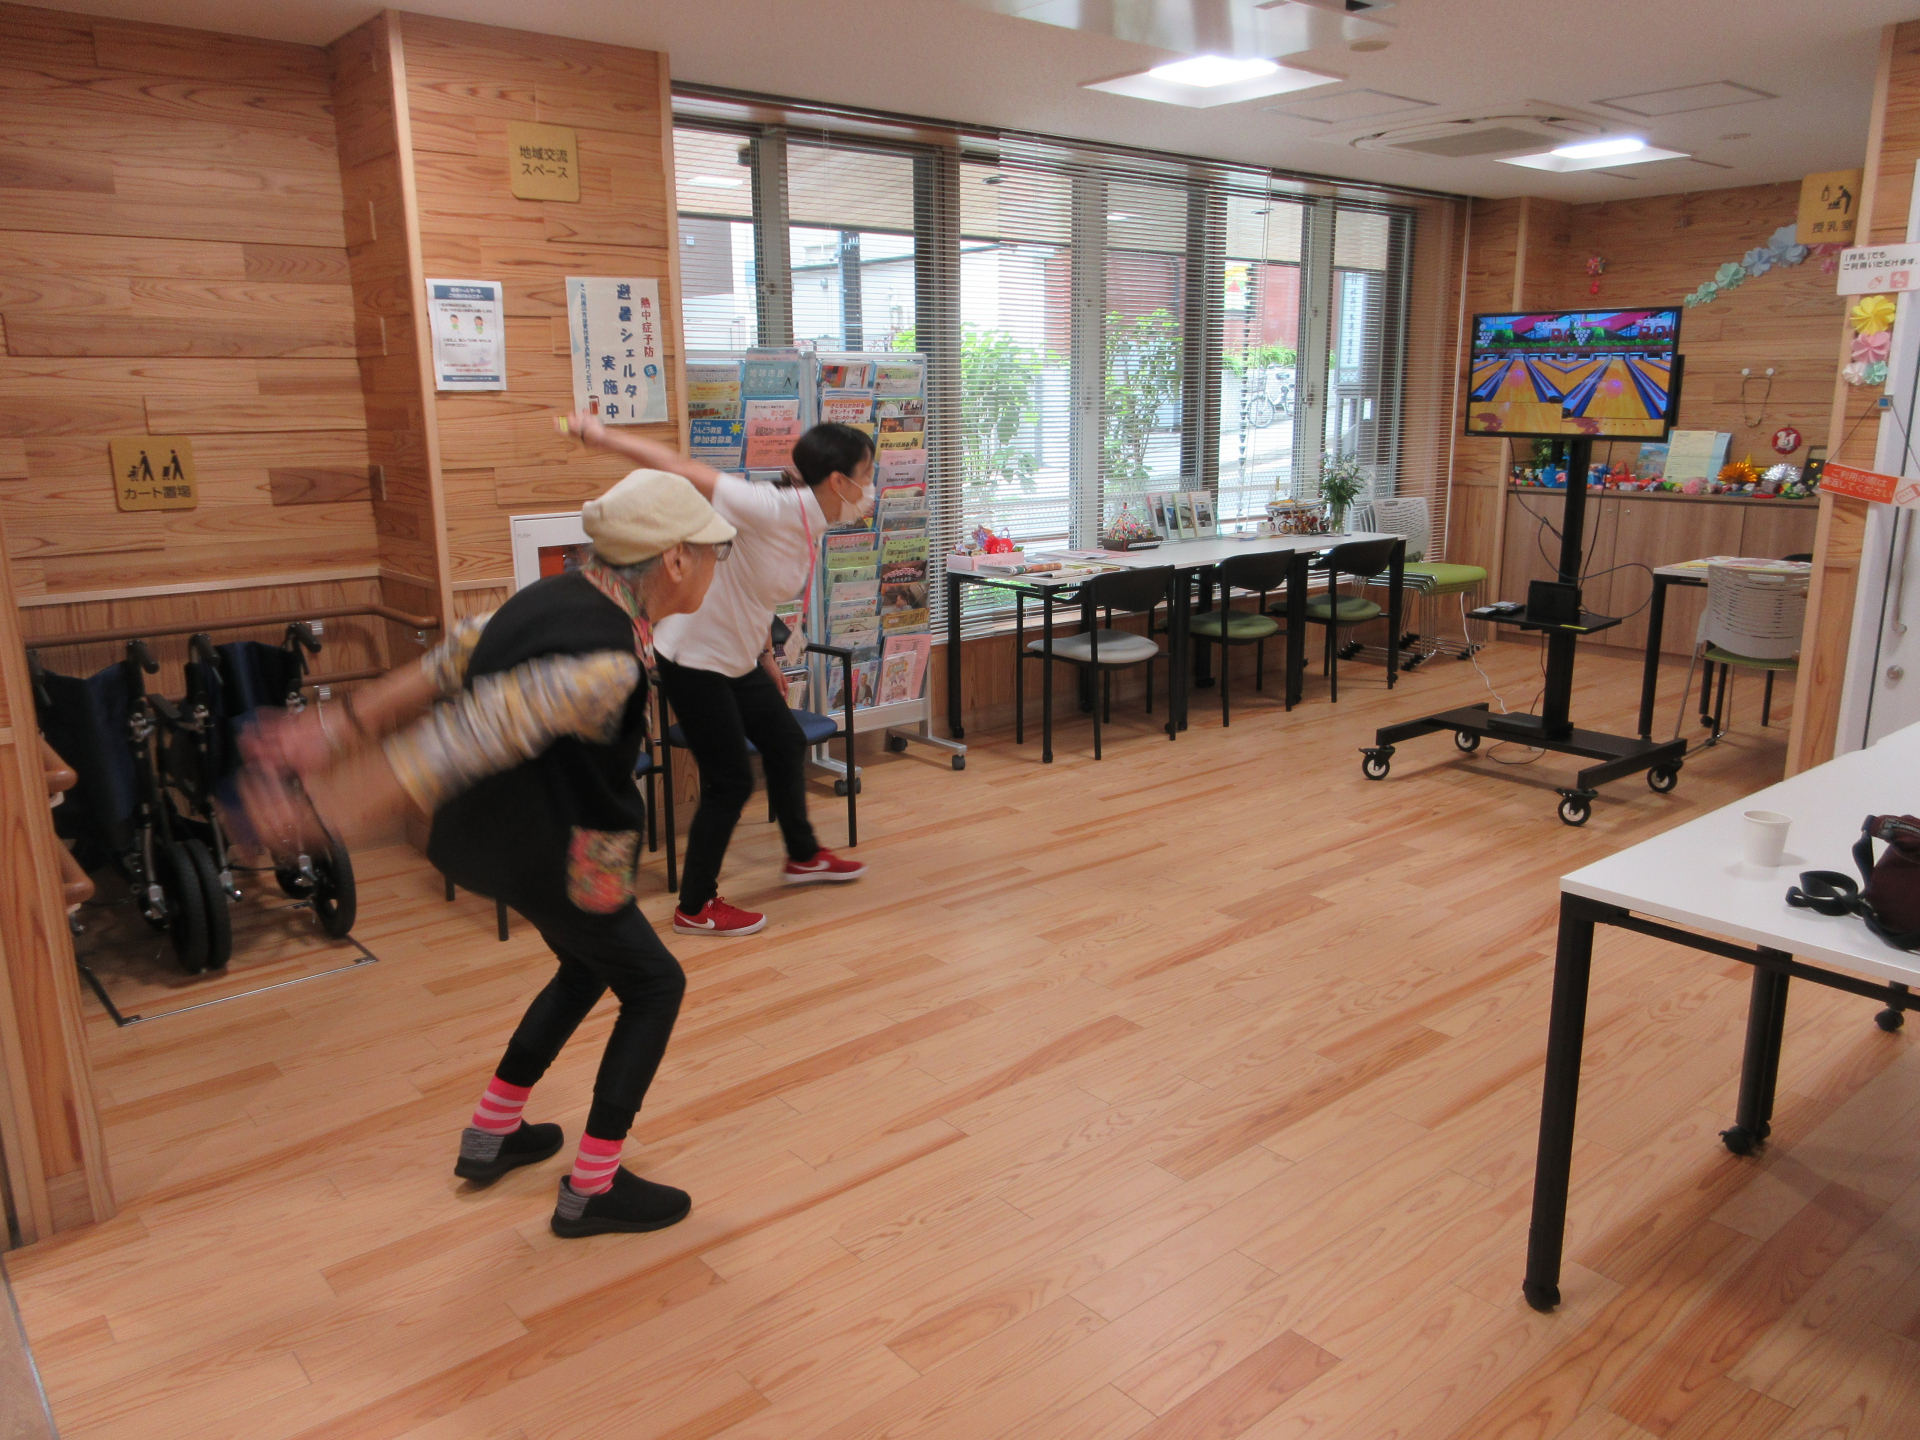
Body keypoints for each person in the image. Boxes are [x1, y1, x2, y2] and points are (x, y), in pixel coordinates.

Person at [238, 469, 733, 1239]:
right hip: (565, 855)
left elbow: (450, 662)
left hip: (493, 843)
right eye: (712, 552)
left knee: (586, 968)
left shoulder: (555, 594)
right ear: (674, 559)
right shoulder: (604, 659)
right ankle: (593, 1188)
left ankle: (493, 1134)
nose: (714, 566)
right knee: (655, 985)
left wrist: (335, 729)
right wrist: (325, 809)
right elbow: (465, 735)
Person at [559, 414, 871, 938]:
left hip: (739, 656)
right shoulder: (767, 506)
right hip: (693, 656)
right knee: (730, 781)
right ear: (839, 481)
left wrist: (766, 657)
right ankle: (695, 904)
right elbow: (675, 466)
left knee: (786, 741)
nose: (871, 486)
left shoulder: (810, 520)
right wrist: (602, 436)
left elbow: (751, 591)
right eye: (867, 473)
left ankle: (802, 856)